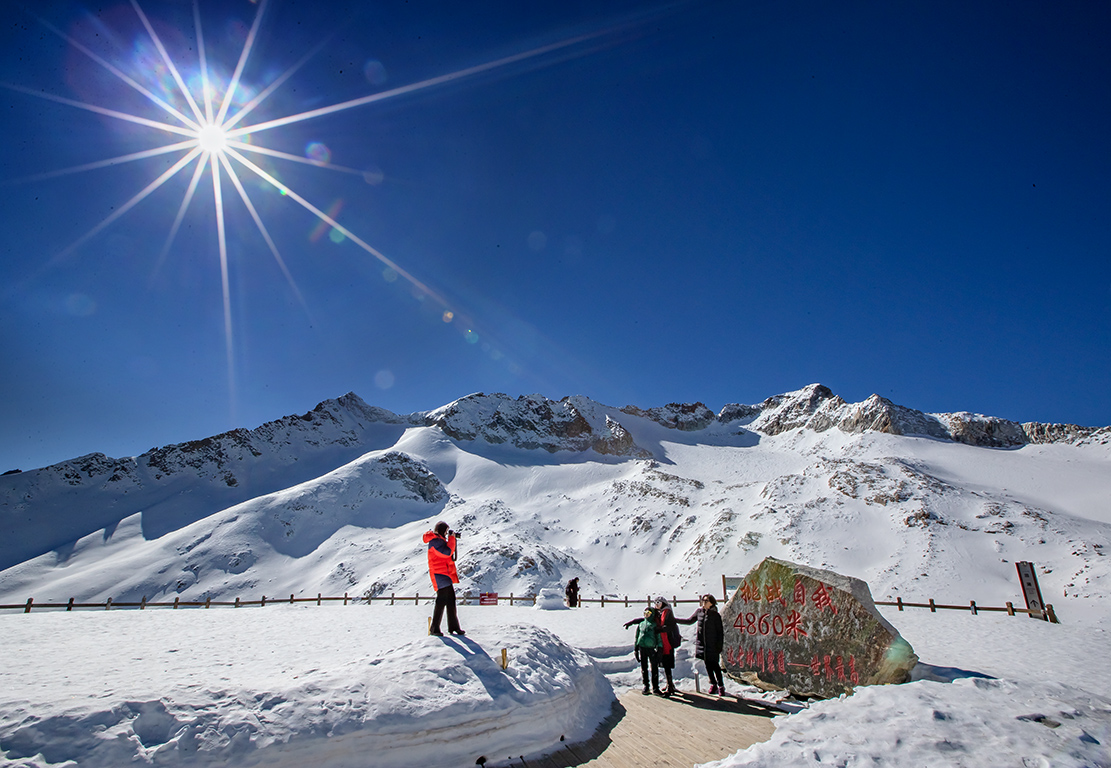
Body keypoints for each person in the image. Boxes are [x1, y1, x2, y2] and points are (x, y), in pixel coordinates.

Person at [676, 594, 725, 695]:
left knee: (715, 665)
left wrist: (719, 645)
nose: (704, 602)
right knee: (707, 665)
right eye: (703, 600)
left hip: (713, 644)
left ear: (711, 603)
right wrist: (675, 620)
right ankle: (713, 684)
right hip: (702, 644)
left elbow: (720, 632)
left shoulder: (715, 615)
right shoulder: (699, 612)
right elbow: (690, 621)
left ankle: (721, 686)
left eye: (706, 600)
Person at [422, 522, 464, 636]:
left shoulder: (439, 540)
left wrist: (452, 539)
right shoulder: (435, 541)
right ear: (441, 530)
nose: (447, 533)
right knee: (441, 601)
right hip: (439, 574)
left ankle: (453, 627)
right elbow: (447, 553)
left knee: (450, 600)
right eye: (446, 531)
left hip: (444, 574)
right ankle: (435, 628)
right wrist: (451, 539)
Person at [624, 607, 663, 695]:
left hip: (651, 648)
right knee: (644, 668)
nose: (646, 614)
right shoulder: (641, 624)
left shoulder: (654, 625)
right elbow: (637, 636)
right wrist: (636, 648)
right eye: (645, 612)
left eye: (648, 612)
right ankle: (646, 685)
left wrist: (660, 649)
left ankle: (656, 687)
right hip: (642, 648)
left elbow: (659, 638)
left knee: (654, 668)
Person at [653, 597, 682, 697]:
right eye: (655, 602)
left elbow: (670, 626)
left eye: (658, 602)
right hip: (663, 642)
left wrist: (660, 630)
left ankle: (670, 686)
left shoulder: (667, 613)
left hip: (668, 642)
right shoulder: (659, 613)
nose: (656, 604)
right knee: (665, 665)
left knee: (667, 664)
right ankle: (670, 684)